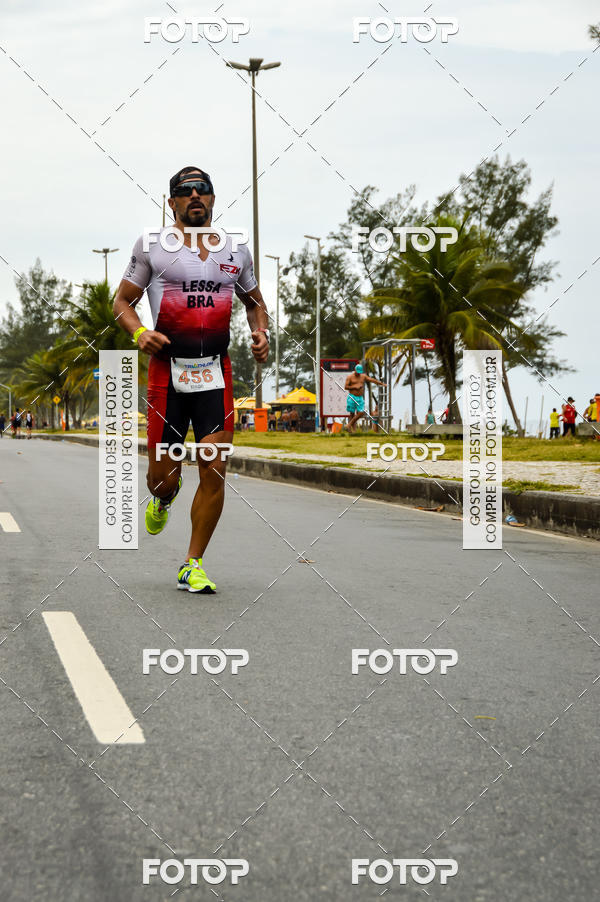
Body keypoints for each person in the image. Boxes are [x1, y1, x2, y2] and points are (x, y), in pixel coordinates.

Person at [113, 165, 269, 593]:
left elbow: (255, 303)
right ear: (172, 202)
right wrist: (140, 332)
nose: (195, 196)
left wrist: (261, 332)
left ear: (214, 199)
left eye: (203, 190)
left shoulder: (236, 251)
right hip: (168, 372)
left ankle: (192, 562)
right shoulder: (152, 247)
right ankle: (164, 496)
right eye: (185, 191)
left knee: (214, 467)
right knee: (161, 477)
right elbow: (122, 302)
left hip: (216, 373)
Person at [344, 364, 385, 432]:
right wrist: (355, 387)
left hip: (360, 398)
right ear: (355, 370)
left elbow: (371, 380)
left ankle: (349, 425)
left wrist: (381, 383)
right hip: (352, 397)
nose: (359, 374)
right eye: (358, 372)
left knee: (361, 412)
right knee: (352, 414)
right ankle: (353, 430)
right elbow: (346, 387)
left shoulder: (363, 376)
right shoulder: (350, 377)